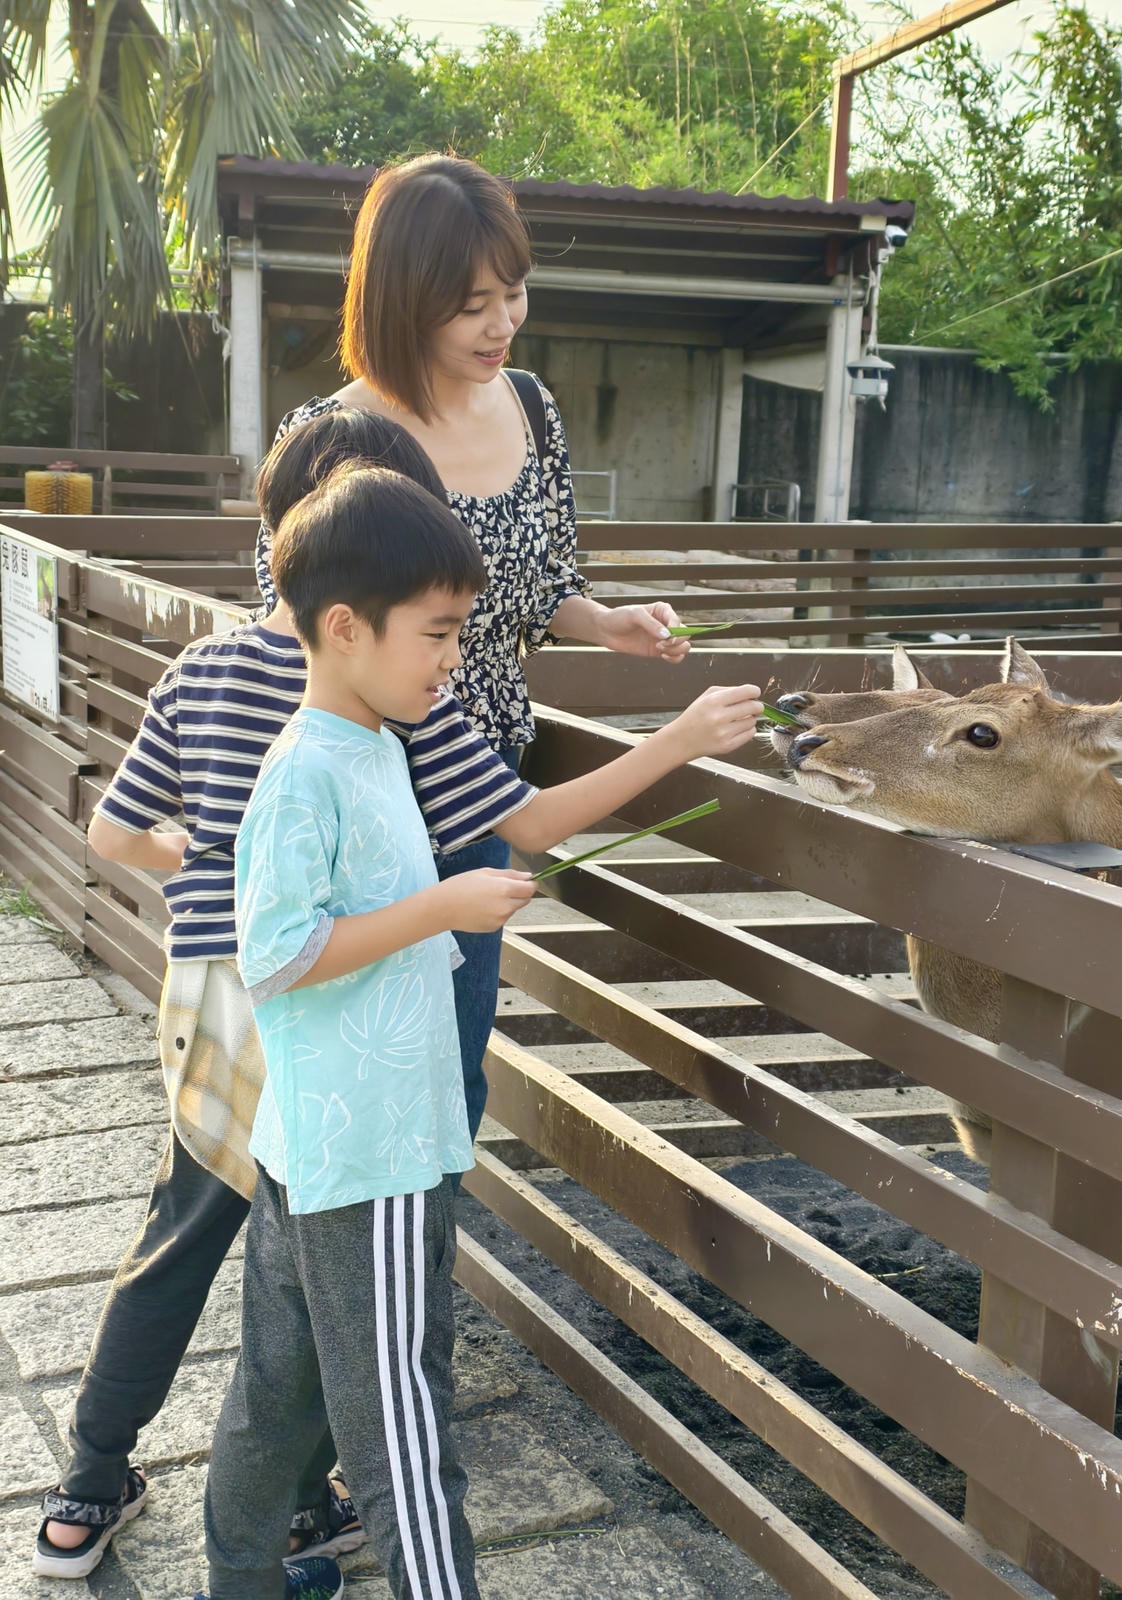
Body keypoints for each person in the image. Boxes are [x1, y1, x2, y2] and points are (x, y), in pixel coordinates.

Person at [38, 406, 762, 1584]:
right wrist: (446, 899)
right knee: (394, 1398)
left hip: (236, 1036)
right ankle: (331, 1533)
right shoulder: (364, 730)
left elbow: (117, 829)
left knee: (229, 1289)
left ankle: (123, 1497)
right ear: (349, 596)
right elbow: (359, 911)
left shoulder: (273, 684)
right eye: (441, 626)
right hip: (344, 1101)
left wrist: (209, 871)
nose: (452, 654)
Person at [254, 151, 693, 1146]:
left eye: (514, 293)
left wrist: (603, 620)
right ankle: (348, 1253)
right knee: (347, 1050)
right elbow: (292, 630)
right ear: (404, 303)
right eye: (470, 304)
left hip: (481, 776)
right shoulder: (331, 438)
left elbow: (542, 579)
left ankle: (407, 1257)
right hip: (365, 787)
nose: (501, 324)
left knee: (452, 1055)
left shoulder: (533, 407)